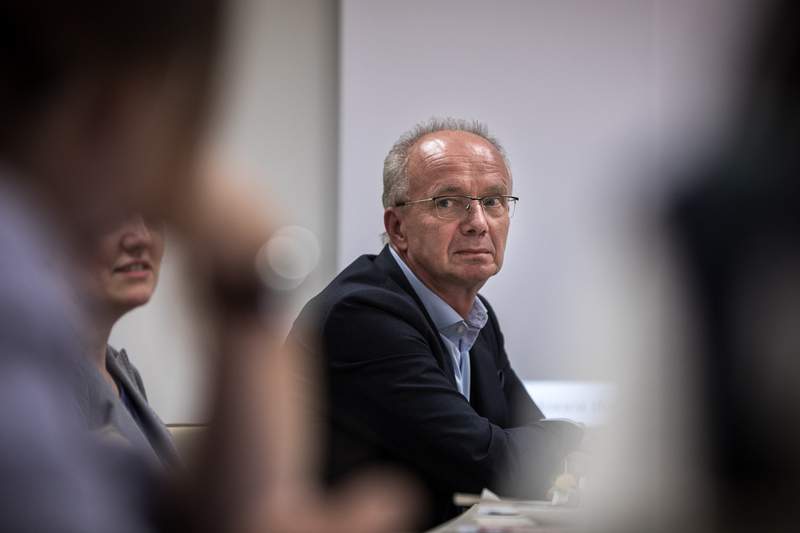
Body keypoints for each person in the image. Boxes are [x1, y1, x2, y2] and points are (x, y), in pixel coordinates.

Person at [0, 1, 420, 532]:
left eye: (151, 210)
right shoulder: (17, 308)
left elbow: (202, 513)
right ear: (121, 100)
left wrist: (245, 290)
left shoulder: (117, 369)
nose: (138, 233)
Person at [288, 117, 586, 527]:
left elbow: (528, 442)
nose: (478, 222)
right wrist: (574, 435)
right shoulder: (360, 317)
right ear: (397, 228)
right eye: (448, 202)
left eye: (495, 201)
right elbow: (495, 463)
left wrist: (555, 452)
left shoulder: (474, 316)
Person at [68, 215, 181, 472]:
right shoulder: (44, 378)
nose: (140, 238)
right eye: (114, 214)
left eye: (152, 212)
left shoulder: (123, 372)